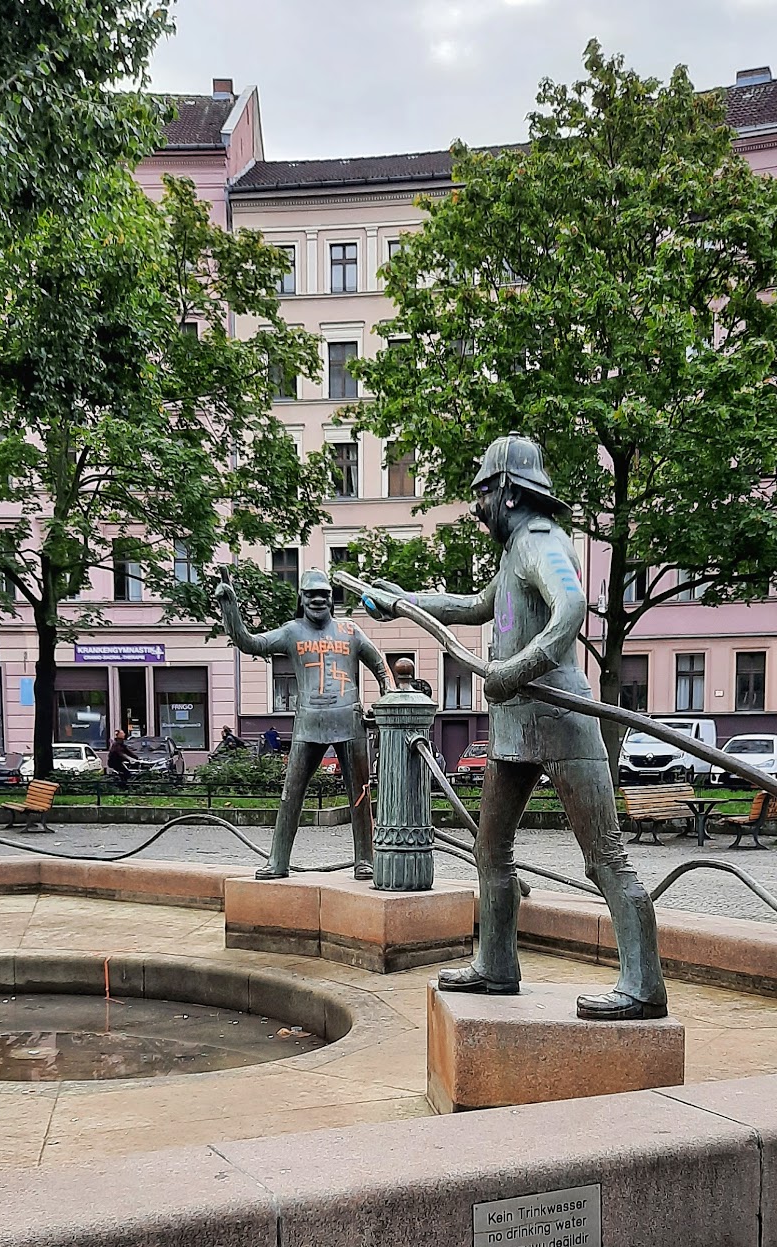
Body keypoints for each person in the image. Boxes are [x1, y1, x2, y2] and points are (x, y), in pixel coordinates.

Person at [363, 433, 666, 1022]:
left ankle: (644, 984)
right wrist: (404, 600)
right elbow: (475, 606)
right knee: (490, 848)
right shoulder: (514, 552)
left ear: (506, 491)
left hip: (560, 717)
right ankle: (497, 964)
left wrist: (514, 670)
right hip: (515, 727)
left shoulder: (540, 540)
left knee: (604, 856)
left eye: (481, 493)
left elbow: (571, 609)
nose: (476, 508)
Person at [215, 568, 388, 879]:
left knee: (360, 796)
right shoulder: (292, 631)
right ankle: (278, 861)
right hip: (308, 723)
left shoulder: (350, 631)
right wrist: (230, 608)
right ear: (302, 598)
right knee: (291, 795)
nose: (318, 600)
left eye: (323, 594)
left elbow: (379, 664)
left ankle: (366, 859)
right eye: (311, 595)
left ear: (332, 599)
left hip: (349, 721)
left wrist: (386, 697)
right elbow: (250, 643)